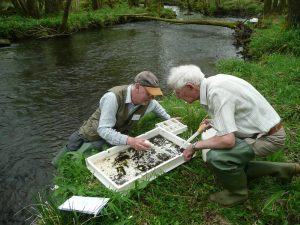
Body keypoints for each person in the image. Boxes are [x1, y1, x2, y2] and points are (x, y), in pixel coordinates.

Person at [167, 64, 300, 207]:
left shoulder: (216, 93)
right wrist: (216, 121)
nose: (178, 96)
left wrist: (194, 146)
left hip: (269, 138)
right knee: (229, 159)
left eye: (178, 92)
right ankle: (285, 170)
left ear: (190, 87)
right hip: (262, 129)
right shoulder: (215, 82)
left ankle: (238, 194)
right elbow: (236, 112)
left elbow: (227, 141)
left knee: (218, 158)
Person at [52, 71, 171, 166]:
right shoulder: (112, 97)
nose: (152, 97)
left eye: (154, 94)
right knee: (62, 161)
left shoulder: (148, 101)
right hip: (89, 134)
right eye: (149, 93)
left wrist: (170, 120)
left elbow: (157, 107)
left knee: (88, 156)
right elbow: (103, 130)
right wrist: (131, 141)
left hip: (112, 137)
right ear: (138, 87)